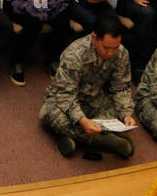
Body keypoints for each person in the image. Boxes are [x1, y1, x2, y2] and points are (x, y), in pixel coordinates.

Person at [39, 13, 136, 159]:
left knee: (116, 116)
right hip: (63, 100)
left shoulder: (121, 53)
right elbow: (65, 95)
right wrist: (82, 121)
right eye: (106, 48)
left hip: (94, 99)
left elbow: (121, 87)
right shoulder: (75, 54)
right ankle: (103, 141)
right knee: (49, 114)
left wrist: (126, 114)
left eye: (115, 48)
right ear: (95, 38)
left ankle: (69, 138)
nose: (110, 53)